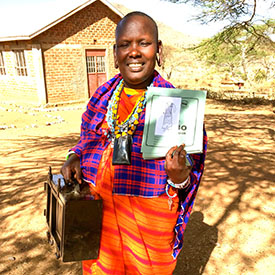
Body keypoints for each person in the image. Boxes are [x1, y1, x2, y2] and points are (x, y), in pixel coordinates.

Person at [61, 11, 207, 275]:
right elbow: (87, 139)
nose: (134, 52)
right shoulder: (103, 96)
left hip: (150, 223)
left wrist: (178, 177)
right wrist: (74, 156)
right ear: (115, 54)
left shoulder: (178, 105)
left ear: (158, 49)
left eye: (144, 43)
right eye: (125, 44)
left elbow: (189, 172)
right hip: (100, 216)